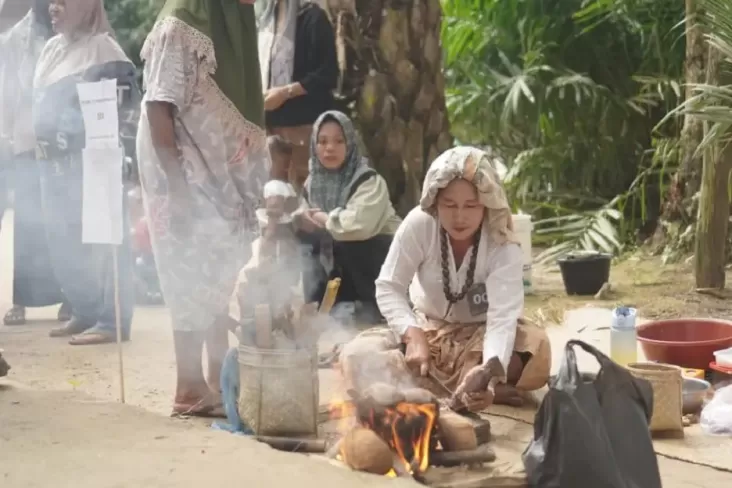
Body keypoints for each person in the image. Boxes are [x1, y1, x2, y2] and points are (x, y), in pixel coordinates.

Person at [340, 146, 551, 411]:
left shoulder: (501, 240)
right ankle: (465, 386)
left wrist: (488, 375)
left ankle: (476, 387)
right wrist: (412, 336)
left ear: (486, 204)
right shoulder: (419, 224)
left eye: (471, 205)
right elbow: (388, 287)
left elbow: (501, 320)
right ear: (434, 201)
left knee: (536, 350)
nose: (459, 216)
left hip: (480, 336)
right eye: (449, 205)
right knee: (356, 357)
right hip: (427, 331)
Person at [137, 0, 270, 417]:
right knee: (190, 269)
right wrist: (177, 189)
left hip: (218, 174)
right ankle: (189, 386)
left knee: (218, 266)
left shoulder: (233, 21)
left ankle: (217, 373)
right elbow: (159, 105)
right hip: (180, 170)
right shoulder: (182, 20)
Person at [32, 0, 138, 344]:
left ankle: (112, 321)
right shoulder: (52, 49)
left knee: (104, 241)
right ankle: (85, 309)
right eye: (51, 1)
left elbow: (123, 111)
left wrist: (109, 161)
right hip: (52, 166)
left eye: (63, 1)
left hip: (93, 165)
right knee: (62, 242)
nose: (53, 7)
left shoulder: (103, 49)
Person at [0, 0, 71, 326]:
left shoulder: (72, 29)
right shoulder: (16, 38)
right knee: (28, 225)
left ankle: (72, 298)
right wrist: (8, 137)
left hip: (63, 141)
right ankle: (20, 302)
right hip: (27, 141)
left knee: (62, 221)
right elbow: (7, 93)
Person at [295, 110, 400, 324]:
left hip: (374, 262)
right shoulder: (312, 183)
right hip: (342, 265)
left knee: (347, 239)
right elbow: (305, 215)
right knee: (305, 238)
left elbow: (357, 226)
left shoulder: (368, 180)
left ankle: (373, 308)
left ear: (350, 144)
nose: (329, 148)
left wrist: (324, 219)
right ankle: (319, 307)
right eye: (322, 142)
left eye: (338, 141)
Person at [257, 0, 338, 189]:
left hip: (302, 129)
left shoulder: (313, 18)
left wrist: (286, 93)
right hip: (269, 128)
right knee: (274, 198)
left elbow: (328, 74)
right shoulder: (264, 19)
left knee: (304, 199)